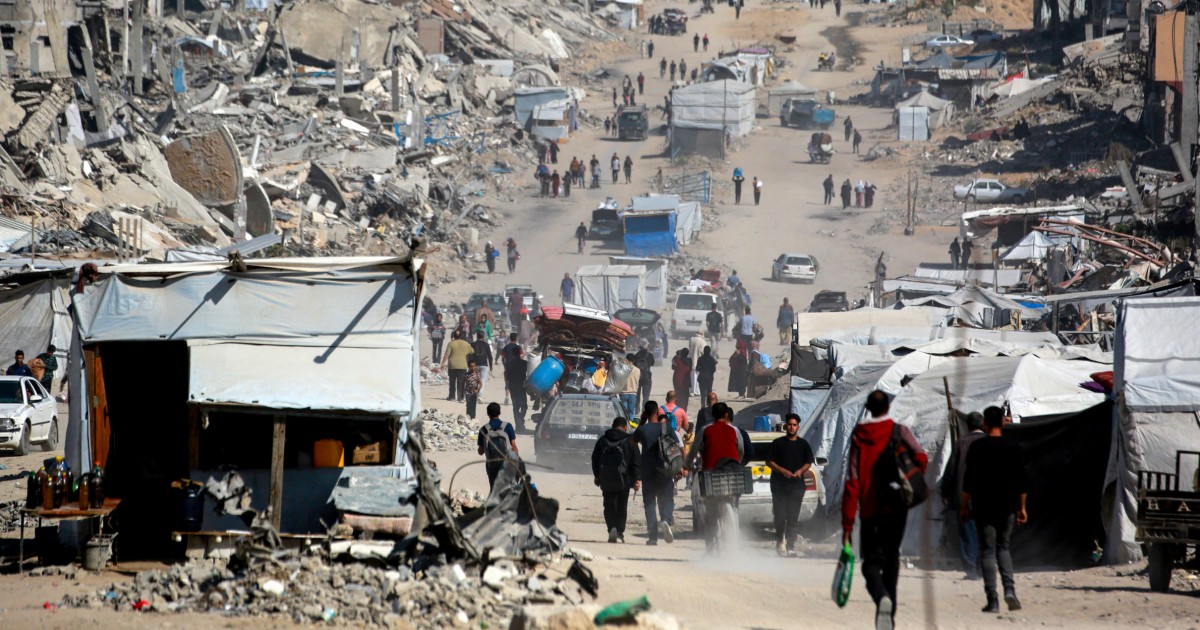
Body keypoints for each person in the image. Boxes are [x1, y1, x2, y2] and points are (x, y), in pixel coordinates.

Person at [843, 391, 929, 630]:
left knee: (870, 564)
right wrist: (908, 480)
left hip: (870, 509)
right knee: (891, 561)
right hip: (897, 507)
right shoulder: (899, 431)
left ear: (868, 408)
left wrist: (847, 523)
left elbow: (853, 480)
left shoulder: (859, 435)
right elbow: (921, 457)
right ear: (888, 407)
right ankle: (888, 618)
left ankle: (881, 597)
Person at [963, 406, 1029, 613]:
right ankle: (1010, 590)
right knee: (1003, 547)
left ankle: (992, 600)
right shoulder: (1013, 446)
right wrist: (1022, 507)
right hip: (1007, 505)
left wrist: (964, 505)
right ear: (1003, 421)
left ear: (984, 423)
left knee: (987, 551)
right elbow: (1021, 481)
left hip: (983, 505)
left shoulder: (977, 447)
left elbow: (968, 481)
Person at [690, 402, 750, 550]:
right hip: (733, 473)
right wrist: (736, 462)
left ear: (712, 415)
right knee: (734, 507)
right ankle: (735, 543)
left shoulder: (705, 430)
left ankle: (711, 548)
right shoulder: (735, 430)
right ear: (726, 415)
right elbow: (741, 451)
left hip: (711, 474)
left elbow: (693, 451)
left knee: (711, 513)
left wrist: (686, 465)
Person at [941, 411, 986, 580]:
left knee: (968, 532)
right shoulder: (989, 442)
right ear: (982, 424)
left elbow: (951, 470)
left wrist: (945, 492)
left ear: (967, 425)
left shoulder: (961, 443)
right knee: (985, 531)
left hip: (964, 494)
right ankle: (985, 567)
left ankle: (971, 569)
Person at [630, 403, 681, 545]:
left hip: (648, 472)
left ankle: (653, 538)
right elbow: (676, 445)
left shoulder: (643, 429)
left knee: (650, 504)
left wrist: (641, 422)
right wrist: (678, 466)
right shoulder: (665, 427)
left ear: (645, 414)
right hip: (665, 470)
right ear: (658, 412)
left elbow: (632, 443)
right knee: (667, 498)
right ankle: (666, 520)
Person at [767, 413, 815, 556]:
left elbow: (808, 462)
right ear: (785, 426)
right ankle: (780, 541)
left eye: (794, 425)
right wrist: (782, 471)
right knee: (780, 515)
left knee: (793, 517)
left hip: (796, 487)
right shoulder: (777, 443)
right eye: (789, 424)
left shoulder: (803, 444)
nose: (792, 427)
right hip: (779, 486)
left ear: (798, 427)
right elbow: (769, 461)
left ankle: (791, 546)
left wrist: (800, 471)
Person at [594, 417, 640, 543]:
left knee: (609, 504)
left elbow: (595, 458)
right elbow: (636, 461)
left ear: (612, 425)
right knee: (622, 506)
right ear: (625, 427)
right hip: (624, 479)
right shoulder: (630, 441)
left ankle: (611, 528)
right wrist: (636, 479)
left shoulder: (603, 440)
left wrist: (597, 475)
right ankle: (619, 532)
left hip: (606, 478)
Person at [477, 402, 518, 489]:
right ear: (499, 412)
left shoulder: (484, 429)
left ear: (488, 413)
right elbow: (514, 447)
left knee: (494, 489)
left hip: (492, 466)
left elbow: (480, 452)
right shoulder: (508, 426)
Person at [442, 331, 473, 401]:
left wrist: (443, 363)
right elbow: (472, 351)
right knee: (461, 382)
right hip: (462, 365)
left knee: (452, 382)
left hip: (452, 365)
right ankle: (460, 397)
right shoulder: (466, 343)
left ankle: (452, 397)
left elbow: (447, 354)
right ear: (461, 336)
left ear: (454, 336)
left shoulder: (451, 344)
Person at [505, 346, 529, 431]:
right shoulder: (524, 363)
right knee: (524, 406)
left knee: (516, 407)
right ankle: (520, 421)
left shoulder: (509, 364)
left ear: (512, 354)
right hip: (522, 387)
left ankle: (518, 424)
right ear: (520, 353)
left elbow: (507, 376)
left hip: (513, 387)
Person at [634, 341, 654, 408]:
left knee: (637, 394)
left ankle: (637, 409)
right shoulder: (650, 355)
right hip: (647, 377)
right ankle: (644, 409)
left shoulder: (636, 355)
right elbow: (652, 363)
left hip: (637, 377)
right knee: (646, 395)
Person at [622, 354, 641, 419]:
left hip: (623, 393)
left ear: (626, 360)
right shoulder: (638, 370)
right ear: (634, 360)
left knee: (623, 412)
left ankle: (624, 423)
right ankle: (630, 423)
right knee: (631, 412)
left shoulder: (623, 369)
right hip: (633, 393)